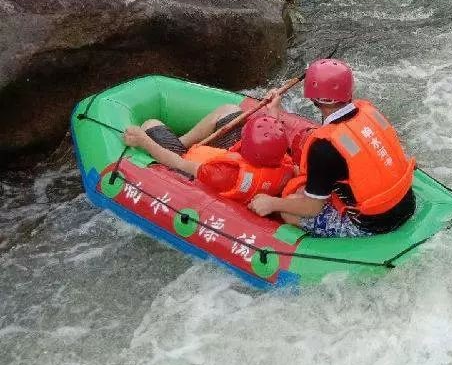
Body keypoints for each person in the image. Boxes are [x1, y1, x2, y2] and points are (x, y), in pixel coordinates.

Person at [248, 59, 416, 238]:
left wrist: (272, 203)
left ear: (315, 98)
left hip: (375, 224)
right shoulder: (369, 112)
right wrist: (275, 114)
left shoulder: (323, 148)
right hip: (406, 202)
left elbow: (312, 208)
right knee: (304, 191)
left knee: (289, 209)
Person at [122, 106, 294, 204]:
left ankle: (176, 145)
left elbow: (178, 163)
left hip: (189, 167)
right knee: (230, 110)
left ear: (245, 147)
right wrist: (273, 112)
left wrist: (144, 141)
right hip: (229, 162)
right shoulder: (285, 164)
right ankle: (181, 141)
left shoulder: (222, 173)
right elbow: (270, 140)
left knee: (150, 124)